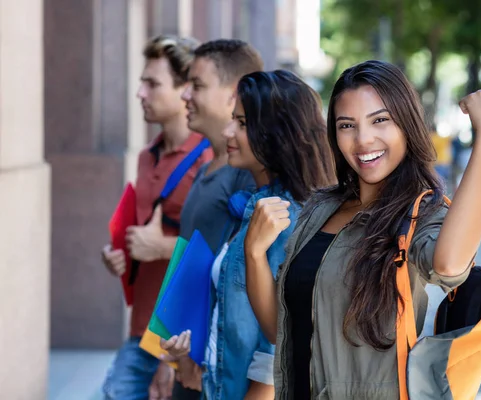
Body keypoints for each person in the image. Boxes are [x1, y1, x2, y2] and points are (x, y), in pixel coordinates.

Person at [244, 60, 481, 399]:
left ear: (406, 125)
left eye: (380, 120)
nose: (363, 140)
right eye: (346, 125)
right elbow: (281, 329)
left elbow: (450, 265)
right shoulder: (320, 209)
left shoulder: (419, 214)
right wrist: (254, 253)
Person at [162, 70, 336, 400]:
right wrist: (189, 361)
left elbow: (276, 352)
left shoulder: (284, 218)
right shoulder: (254, 207)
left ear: (276, 135)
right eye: (233, 120)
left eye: (242, 123)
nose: (228, 131)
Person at [100, 35, 213, 400]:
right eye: (141, 82)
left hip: (183, 333)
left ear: (185, 89)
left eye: (152, 83)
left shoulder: (210, 157)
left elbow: (220, 247)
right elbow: (145, 230)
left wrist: (162, 247)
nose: (140, 93)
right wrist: (122, 252)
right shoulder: (146, 155)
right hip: (142, 326)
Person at [154, 39, 264, 400]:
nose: (185, 95)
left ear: (234, 94)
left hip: (214, 371)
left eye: (197, 86)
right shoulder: (208, 166)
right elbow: (187, 265)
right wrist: (164, 355)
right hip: (184, 354)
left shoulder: (249, 176)